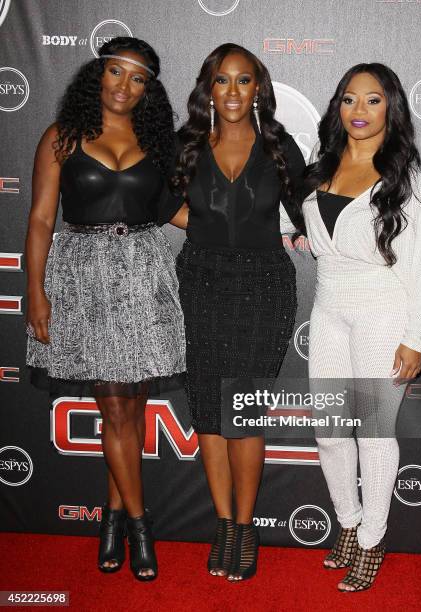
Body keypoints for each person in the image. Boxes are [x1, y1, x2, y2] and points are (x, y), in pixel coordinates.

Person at [25, 37, 185, 581]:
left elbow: (181, 212)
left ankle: (111, 517)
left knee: (131, 409)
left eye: (137, 78)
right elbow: (42, 220)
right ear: (98, 74)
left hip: (144, 274)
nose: (124, 85)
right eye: (115, 72)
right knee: (115, 408)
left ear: (149, 90)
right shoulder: (62, 137)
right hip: (83, 279)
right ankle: (140, 526)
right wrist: (35, 288)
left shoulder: (158, 143)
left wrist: (255, 219)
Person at [294, 63, 421, 592]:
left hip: (384, 313)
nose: (359, 110)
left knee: (375, 434)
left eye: (372, 100)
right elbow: (306, 221)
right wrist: (297, 232)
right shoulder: (321, 166)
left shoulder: (408, 180)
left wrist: (415, 337)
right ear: (338, 107)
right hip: (328, 310)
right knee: (331, 431)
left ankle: (374, 541)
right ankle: (349, 525)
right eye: (349, 99)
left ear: (391, 108)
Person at [164, 43, 305, 581]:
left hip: (265, 286)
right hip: (200, 281)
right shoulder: (185, 144)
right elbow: (153, 198)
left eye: (244, 81)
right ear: (208, 88)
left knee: (241, 414)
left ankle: (245, 528)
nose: (232, 92)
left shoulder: (278, 146)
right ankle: (223, 524)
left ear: (258, 90)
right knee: (208, 411)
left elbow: (308, 207)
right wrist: (199, 227)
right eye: (222, 81)